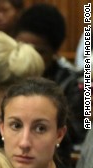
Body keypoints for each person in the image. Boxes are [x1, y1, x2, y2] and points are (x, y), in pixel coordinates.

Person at [14, 3, 86, 144]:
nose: (30, 57)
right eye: (22, 48)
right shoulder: (6, 75)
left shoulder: (74, 84)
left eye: (39, 52)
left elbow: (79, 134)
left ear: (54, 52)